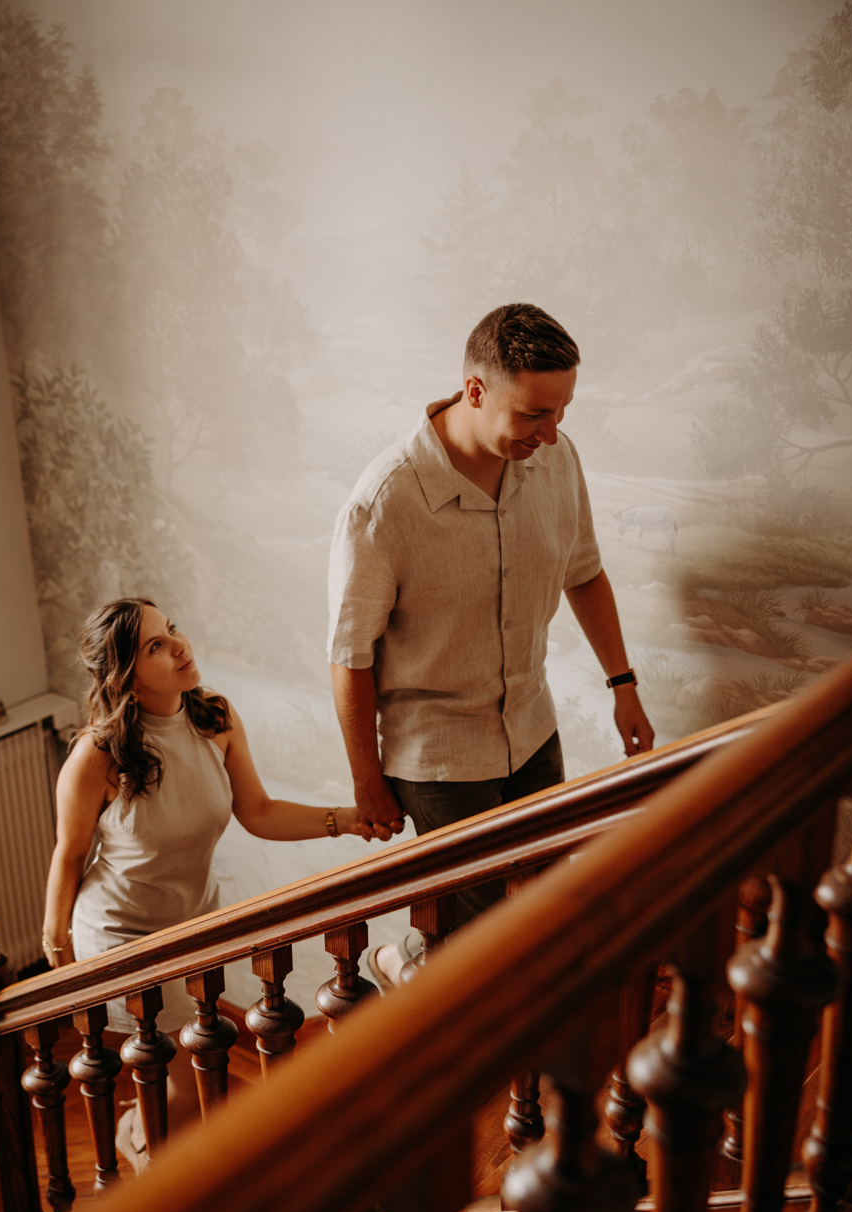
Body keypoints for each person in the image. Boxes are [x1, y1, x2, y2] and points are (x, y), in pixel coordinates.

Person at [327, 303, 654, 987]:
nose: (551, 432)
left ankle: (416, 971)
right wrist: (367, 781)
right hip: (439, 756)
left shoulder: (555, 461)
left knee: (540, 905)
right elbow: (351, 656)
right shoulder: (384, 502)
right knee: (481, 945)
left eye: (561, 411)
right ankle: (419, 982)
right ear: (474, 392)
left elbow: (584, 572)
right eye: (534, 414)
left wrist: (622, 683)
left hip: (532, 729)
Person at [42, 596, 369, 1167]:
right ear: (126, 674)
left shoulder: (213, 714)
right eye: (156, 646)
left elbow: (259, 812)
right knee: (181, 1085)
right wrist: (58, 949)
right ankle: (152, 1157)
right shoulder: (97, 754)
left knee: (193, 1065)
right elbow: (69, 855)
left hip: (195, 922)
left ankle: (149, 1132)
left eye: (172, 630)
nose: (180, 646)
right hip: (123, 936)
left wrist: (346, 819)